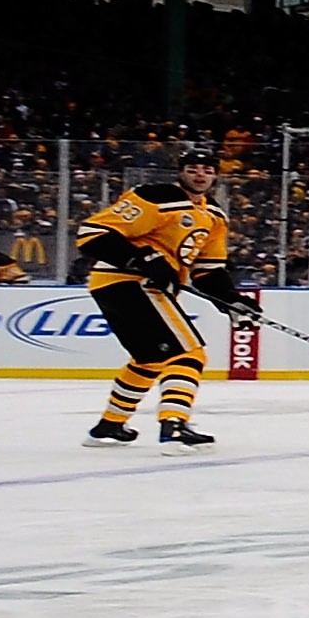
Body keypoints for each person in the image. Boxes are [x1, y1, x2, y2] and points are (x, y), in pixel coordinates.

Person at [74, 153, 242, 447]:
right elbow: (92, 233)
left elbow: (208, 269)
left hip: (122, 286)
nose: (200, 175)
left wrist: (231, 299)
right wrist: (144, 258)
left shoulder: (214, 214)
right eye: (193, 169)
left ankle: (110, 425)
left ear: (216, 176)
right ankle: (173, 426)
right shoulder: (155, 196)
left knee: (149, 358)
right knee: (189, 353)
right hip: (128, 281)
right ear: (181, 172)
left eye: (207, 170)